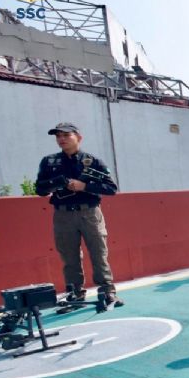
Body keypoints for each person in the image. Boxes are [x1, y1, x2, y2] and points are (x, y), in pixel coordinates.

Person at [34, 122, 123, 312]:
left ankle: (107, 291)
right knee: (69, 256)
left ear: (78, 137)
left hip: (89, 212)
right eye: (58, 136)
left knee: (99, 253)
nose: (62, 139)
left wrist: (85, 186)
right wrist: (56, 184)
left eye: (66, 135)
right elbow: (40, 189)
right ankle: (75, 293)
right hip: (63, 214)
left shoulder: (92, 161)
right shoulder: (49, 162)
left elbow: (111, 188)